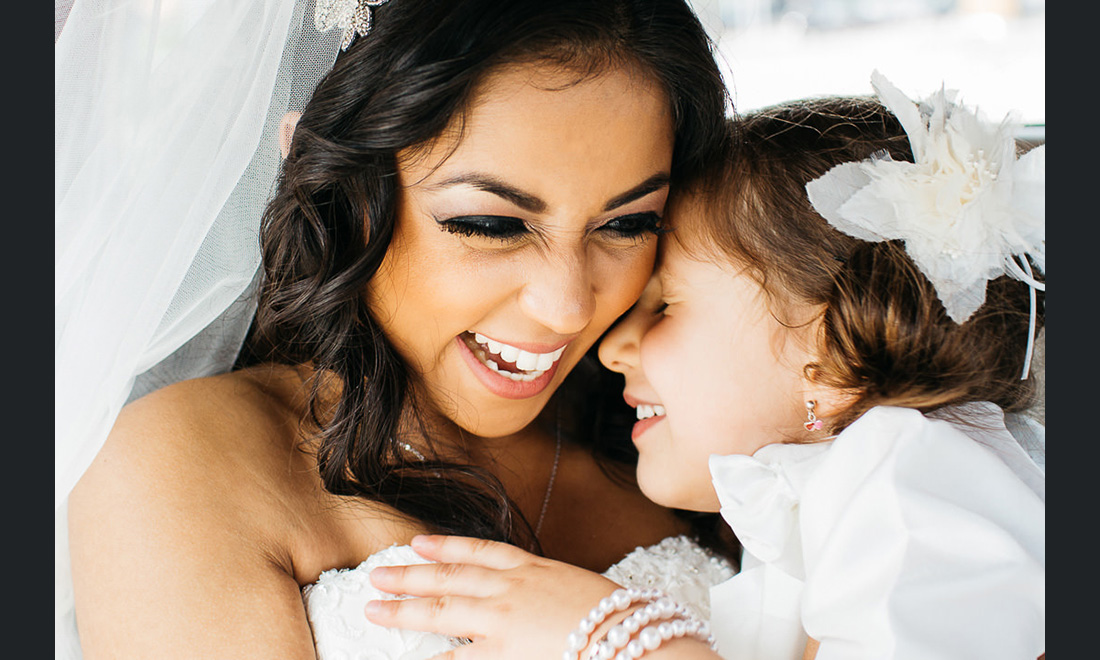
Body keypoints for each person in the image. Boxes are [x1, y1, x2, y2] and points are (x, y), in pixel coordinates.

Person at [57, 0, 742, 658]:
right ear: (333, 186)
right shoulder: (181, 461)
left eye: (627, 224)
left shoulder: (689, 430)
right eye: (491, 225)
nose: (568, 307)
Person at [363, 73, 1046, 659]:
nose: (609, 346)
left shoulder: (919, 487)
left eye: (665, 308)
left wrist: (620, 636)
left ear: (834, 356)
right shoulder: (843, 490)